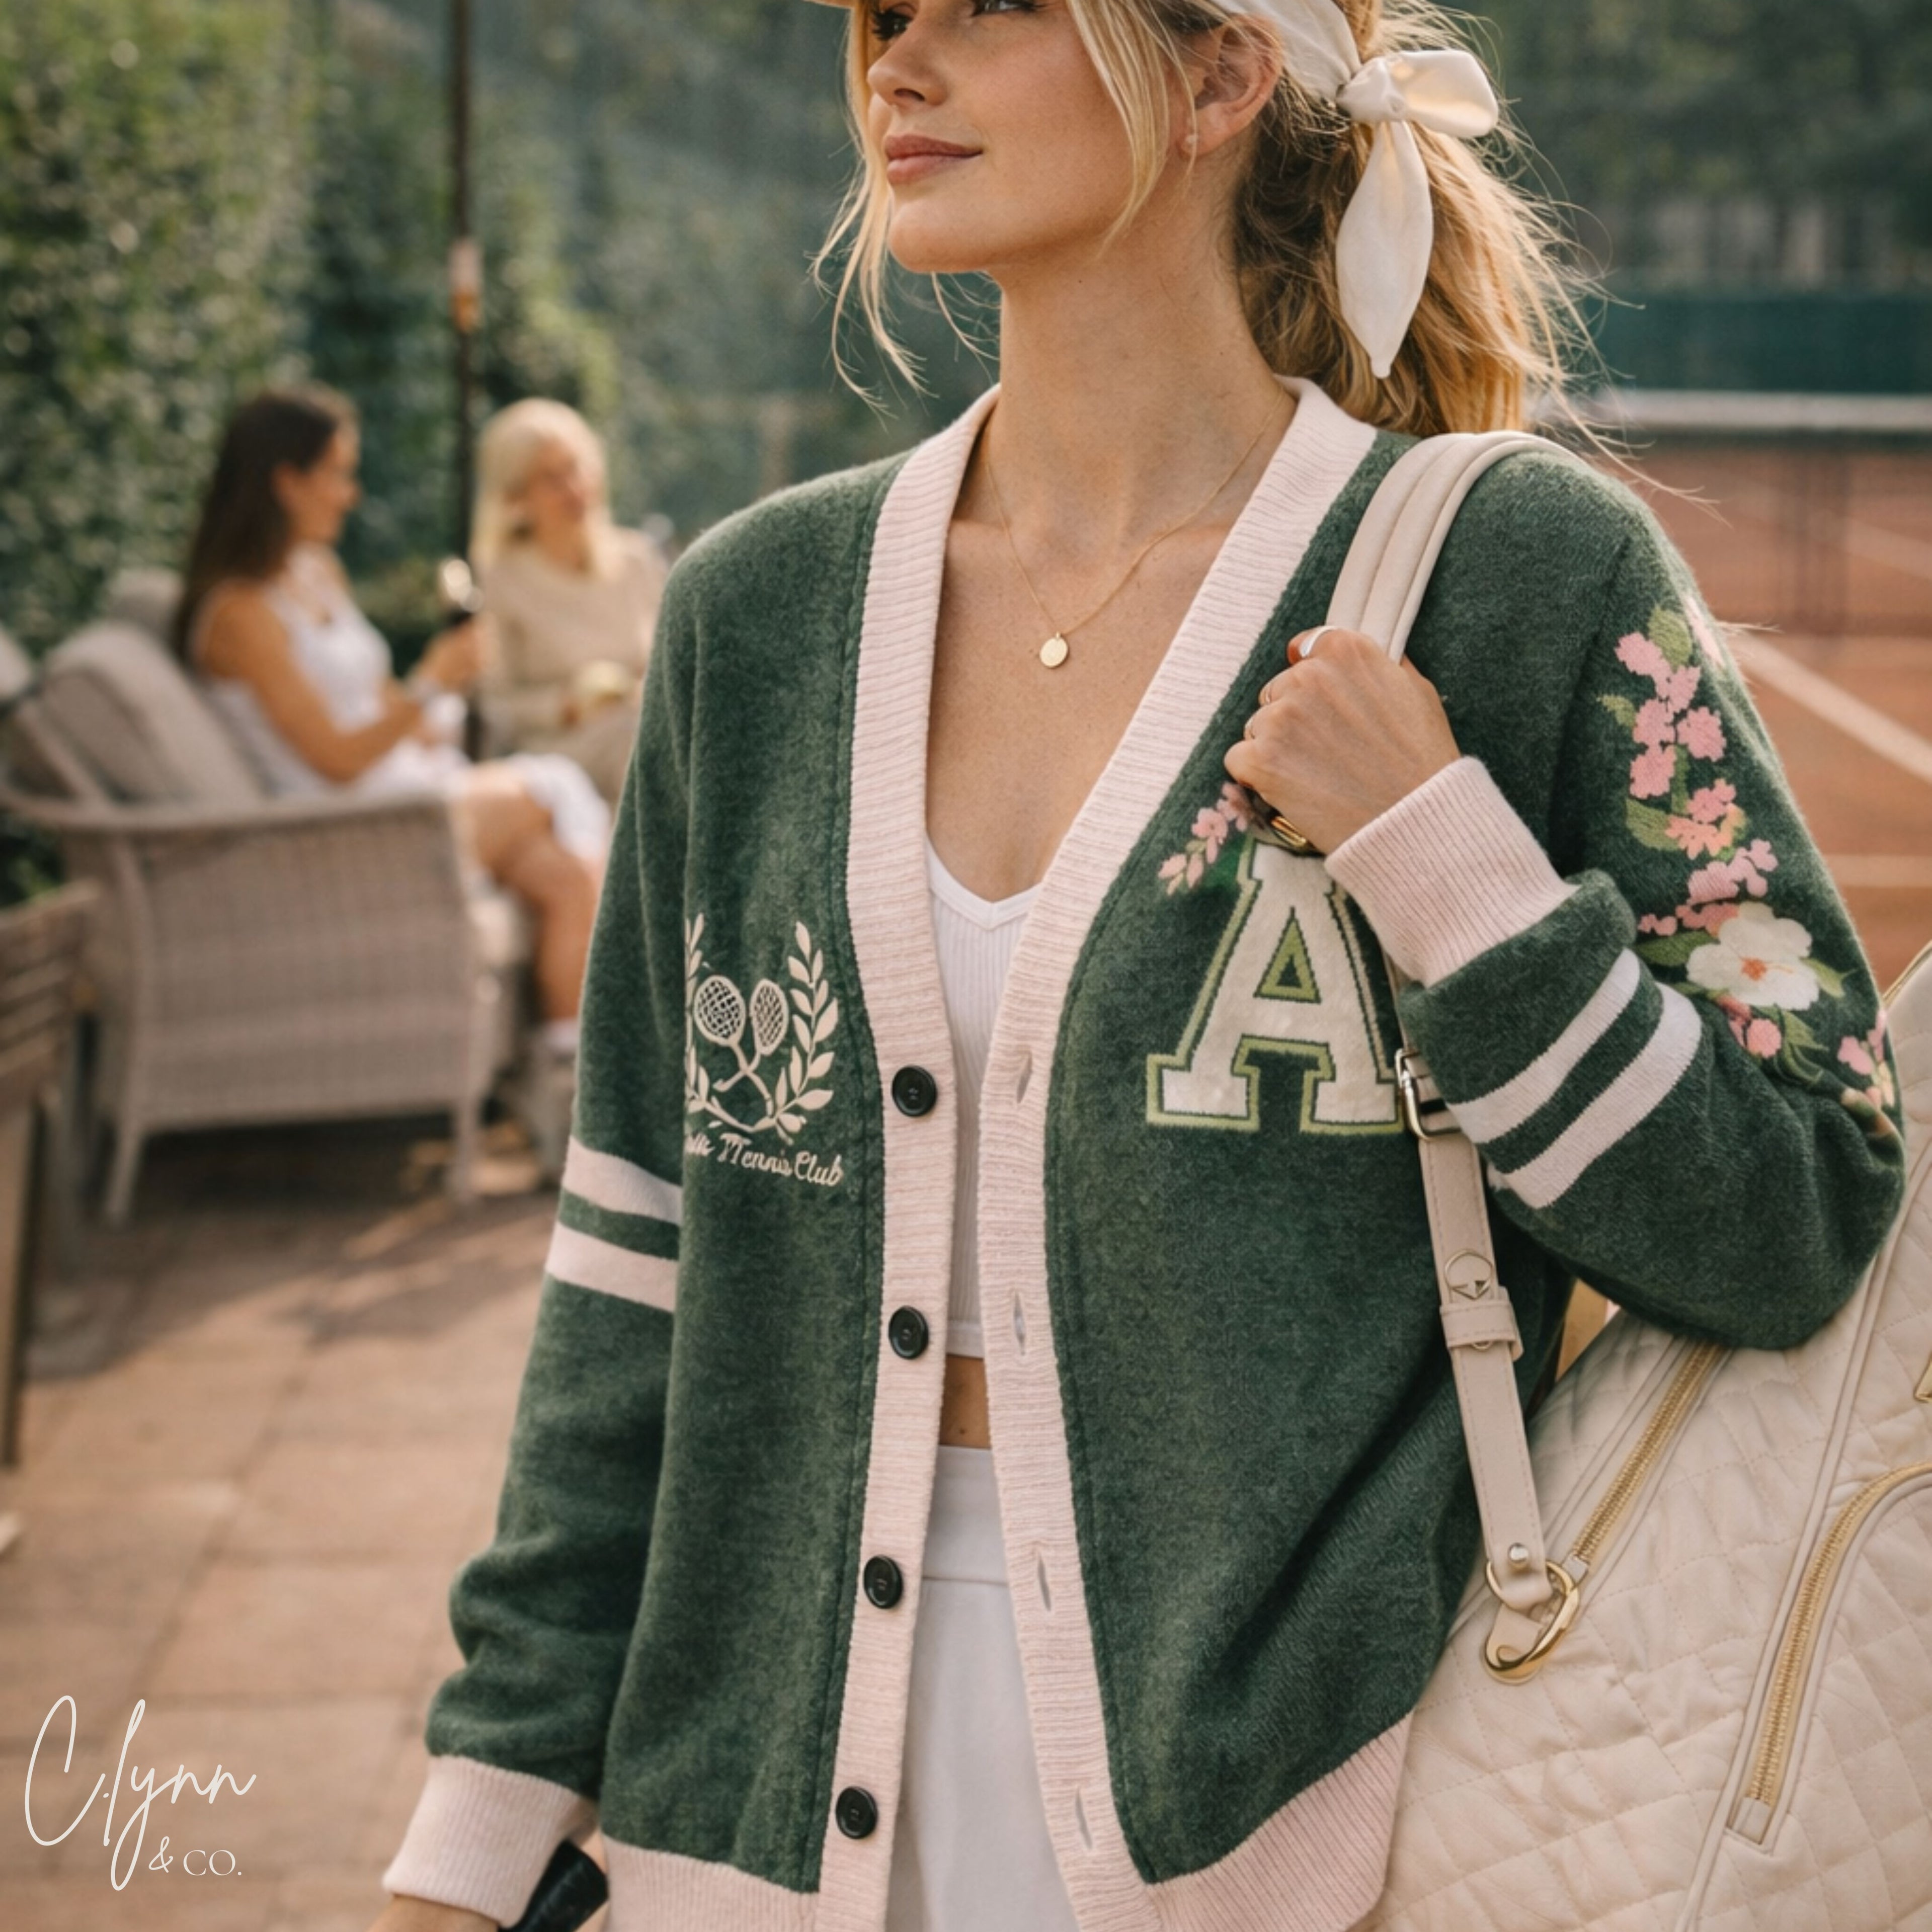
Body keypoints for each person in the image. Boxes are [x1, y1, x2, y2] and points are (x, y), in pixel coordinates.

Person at [370, 5, 1907, 1931]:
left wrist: (1450, 867)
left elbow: (1805, 1201)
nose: (895, 65)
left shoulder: (1512, 580)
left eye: (982, 9)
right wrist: (486, 1812)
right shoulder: (755, 621)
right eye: (877, 18)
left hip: (1289, 1823)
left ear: (1211, 78)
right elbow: (636, 1261)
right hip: (749, 1808)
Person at [175, 386, 609, 1063]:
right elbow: (338, 758)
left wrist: (439, 706)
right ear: (287, 483)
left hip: (399, 787)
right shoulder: (240, 614)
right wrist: (433, 679)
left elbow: (380, 704)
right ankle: (601, 1074)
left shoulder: (315, 573)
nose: (350, 494)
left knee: (565, 877)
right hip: (349, 826)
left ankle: (567, 1083)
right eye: (338, 474)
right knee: (553, 784)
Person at [470, 397, 670, 803]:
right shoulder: (497, 581)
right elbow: (490, 708)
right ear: (516, 498)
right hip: (559, 761)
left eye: (576, 468)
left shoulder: (637, 560)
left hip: (645, 732)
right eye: (551, 479)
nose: (574, 489)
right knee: (642, 744)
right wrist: (565, 706)